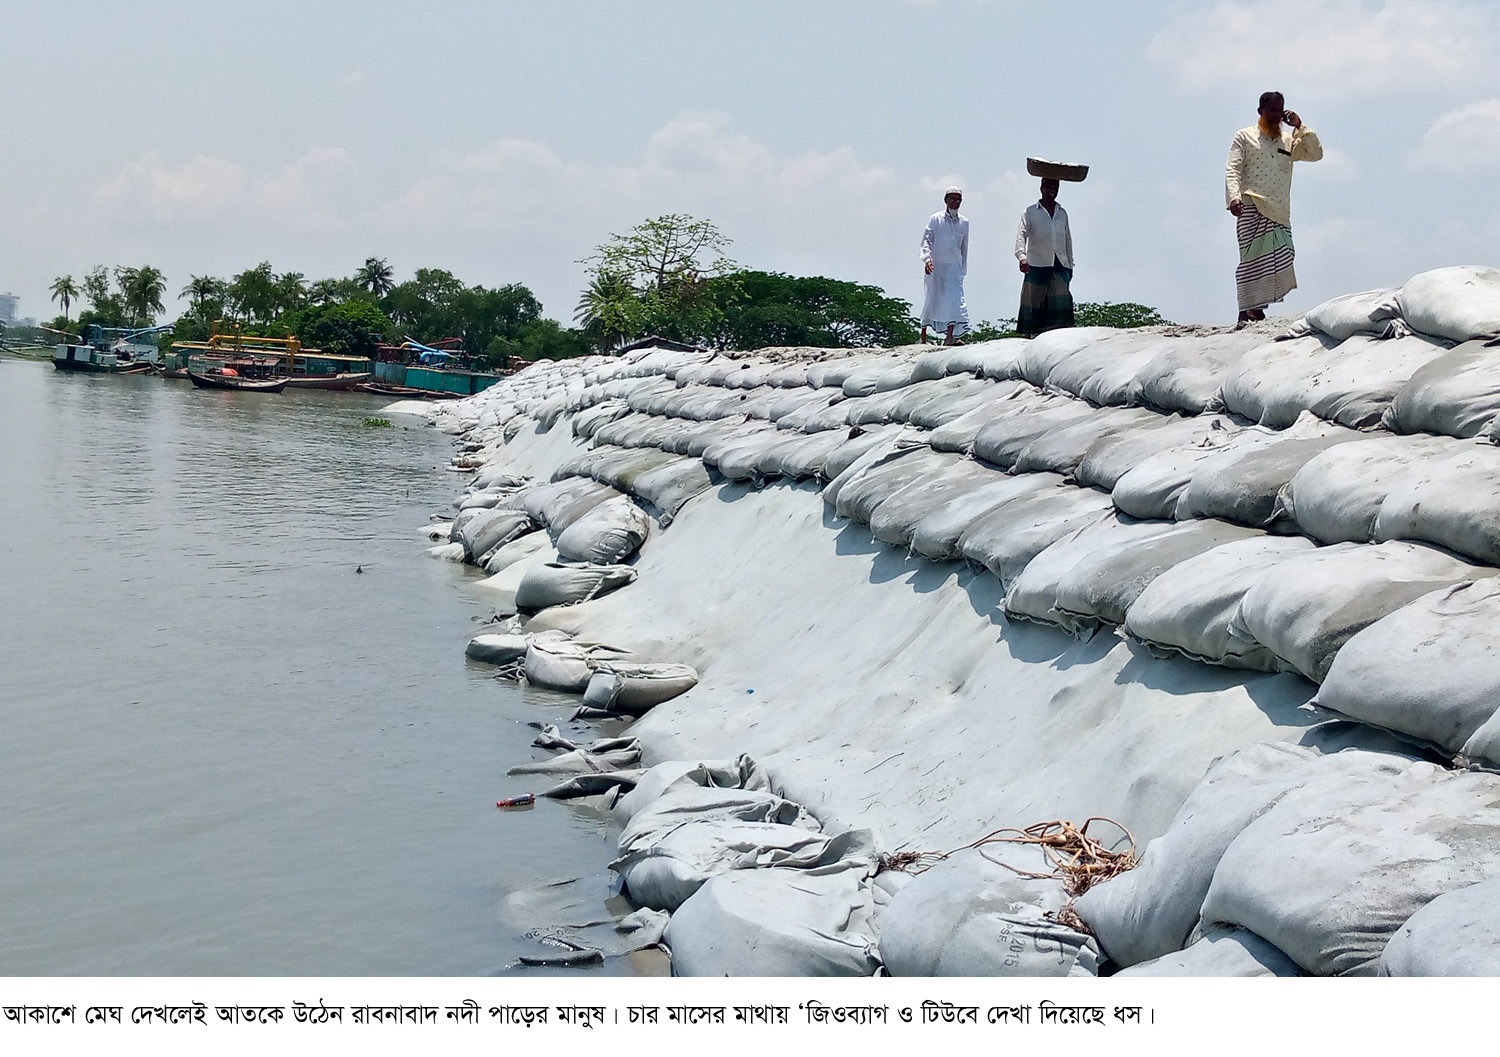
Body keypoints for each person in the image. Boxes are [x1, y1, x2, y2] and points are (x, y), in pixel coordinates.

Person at [1225, 90, 1323, 327]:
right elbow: (1233, 168)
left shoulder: (1289, 140)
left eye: (1279, 111)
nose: (1276, 116)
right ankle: (1245, 310)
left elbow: (1315, 154)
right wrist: (1234, 198)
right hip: (1251, 204)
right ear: (1260, 111)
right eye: (1271, 111)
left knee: (1284, 254)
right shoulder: (1244, 136)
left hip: (1279, 208)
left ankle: (1258, 305)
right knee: (1251, 259)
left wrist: (1300, 126)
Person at [1014, 177, 1074, 336]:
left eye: (1055, 188)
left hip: (1059, 263)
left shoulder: (1062, 213)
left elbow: (1067, 239)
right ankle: (1028, 335)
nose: (1052, 191)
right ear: (1042, 189)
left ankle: (1059, 334)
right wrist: (1022, 257)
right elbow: (1021, 235)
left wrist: (1070, 265)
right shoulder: (1030, 212)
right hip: (1037, 262)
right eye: (1048, 188)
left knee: (1060, 300)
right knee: (1032, 300)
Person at [919, 187, 970, 345]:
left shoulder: (964, 222)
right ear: (946, 200)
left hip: (954, 268)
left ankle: (950, 337)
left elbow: (964, 247)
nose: (955, 202)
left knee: (954, 301)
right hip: (936, 267)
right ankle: (923, 335)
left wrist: (962, 270)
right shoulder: (935, 219)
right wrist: (927, 260)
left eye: (958, 200)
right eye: (952, 199)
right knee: (932, 298)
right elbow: (927, 240)